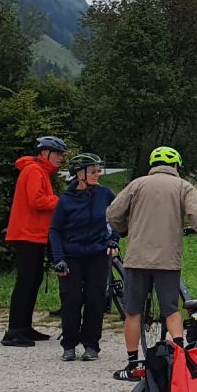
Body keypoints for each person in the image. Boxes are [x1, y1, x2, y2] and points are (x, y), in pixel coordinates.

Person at [105, 146, 197, 381]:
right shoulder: (183, 186)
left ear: (152, 165)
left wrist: (122, 230)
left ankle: (133, 365)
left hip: (137, 259)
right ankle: (179, 362)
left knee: (133, 312)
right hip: (167, 260)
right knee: (171, 309)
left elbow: (113, 213)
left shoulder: (137, 184)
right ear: (176, 166)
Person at [48, 153, 117, 363]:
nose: (97, 174)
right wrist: (58, 257)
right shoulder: (66, 200)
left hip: (97, 254)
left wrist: (113, 239)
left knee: (95, 300)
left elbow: (119, 217)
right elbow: (55, 230)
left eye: (98, 170)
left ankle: (91, 344)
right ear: (79, 174)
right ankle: (69, 344)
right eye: (93, 171)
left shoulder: (105, 194)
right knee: (71, 300)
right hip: (71, 256)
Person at [2, 135, 66, 347]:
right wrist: (61, 201)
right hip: (27, 234)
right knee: (26, 282)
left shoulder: (40, 172)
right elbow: (37, 200)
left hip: (34, 234)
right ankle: (14, 331)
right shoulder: (34, 171)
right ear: (44, 153)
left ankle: (24, 326)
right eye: (57, 153)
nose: (61, 158)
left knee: (33, 281)